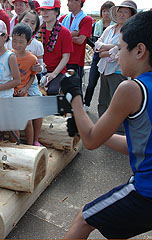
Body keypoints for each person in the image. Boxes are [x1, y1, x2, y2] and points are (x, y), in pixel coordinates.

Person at [61, 11, 152, 239]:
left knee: (84, 218)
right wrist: (90, 132)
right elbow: (135, 145)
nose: (117, 55)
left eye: (120, 49)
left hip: (147, 191)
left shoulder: (131, 89)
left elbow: (91, 140)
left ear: (139, 50)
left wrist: (75, 96)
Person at [95, 0, 137, 119]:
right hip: (104, 69)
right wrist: (115, 47)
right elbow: (98, 45)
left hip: (118, 71)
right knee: (103, 101)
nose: (121, 14)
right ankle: (102, 126)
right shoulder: (110, 28)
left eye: (125, 12)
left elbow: (122, 51)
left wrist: (105, 51)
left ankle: (117, 131)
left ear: (131, 16)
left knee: (117, 103)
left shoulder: (130, 32)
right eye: (120, 12)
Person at [18, 10, 44, 146]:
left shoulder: (37, 45)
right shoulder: (10, 41)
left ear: (36, 28)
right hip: (13, 82)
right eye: (26, 20)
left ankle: (35, 139)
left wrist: (40, 69)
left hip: (31, 82)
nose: (29, 24)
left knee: (38, 106)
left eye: (33, 23)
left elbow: (42, 66)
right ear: (19, 20)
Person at [36, 0, 73, 95]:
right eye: (42, 10)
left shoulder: (65, 32)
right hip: (39, 69)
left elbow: (66, 57)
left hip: (57, 71)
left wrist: (54, 74)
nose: (44, 13)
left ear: (57, 12)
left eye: (48, 10)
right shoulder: (38, 30)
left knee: (52, 91)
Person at [83, 1, 115, 109]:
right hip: (97, 57)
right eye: (104, 11)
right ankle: (86, 104)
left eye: (108, 11)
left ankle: (109, 109)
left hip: (111, 59)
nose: (106, 13)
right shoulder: (96, 25)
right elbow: (87, 37)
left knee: (106, 87)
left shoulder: (116, 27)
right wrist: (94, 46)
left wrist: (102, 47)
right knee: (92, 82)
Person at [11, 23, 38, 145]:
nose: (17, 45)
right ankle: (16, 148)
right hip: (9, 94)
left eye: (21, 42)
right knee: (13, 122)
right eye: (14, 41)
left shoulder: (32, 59)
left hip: (23, 93)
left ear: (29, 42)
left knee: (28, 121)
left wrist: (26, 88)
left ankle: (31, 145)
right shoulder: (7, 55)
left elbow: (32, 75)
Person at [60, 0, 93, 83]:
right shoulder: (63, 18)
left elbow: (80, 40)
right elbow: (57, 38)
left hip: (75, 59)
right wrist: (72, 34)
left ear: (79, 2)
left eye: (70, 1)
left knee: (73, 87)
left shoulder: (87, 19)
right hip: (61, 58)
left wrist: (65, 37)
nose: (67, 4)